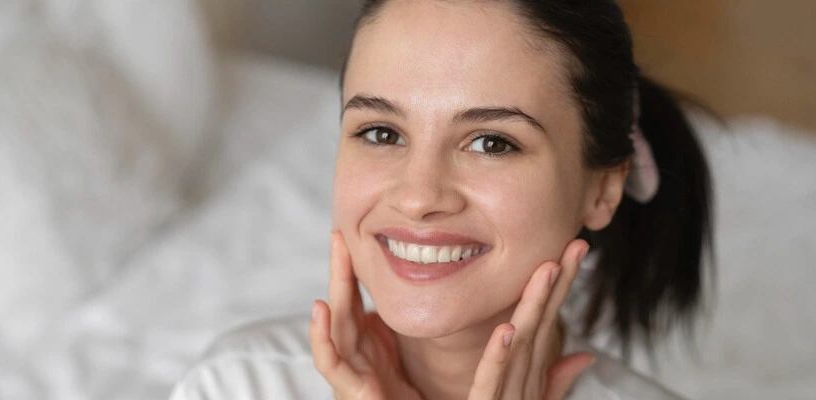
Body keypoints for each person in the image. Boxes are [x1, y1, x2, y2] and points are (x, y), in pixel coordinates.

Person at [170, 0, 712, 398]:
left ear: (602, 189)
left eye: (491, 142)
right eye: (382, 133)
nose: (418, 197)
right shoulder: (235, 384)